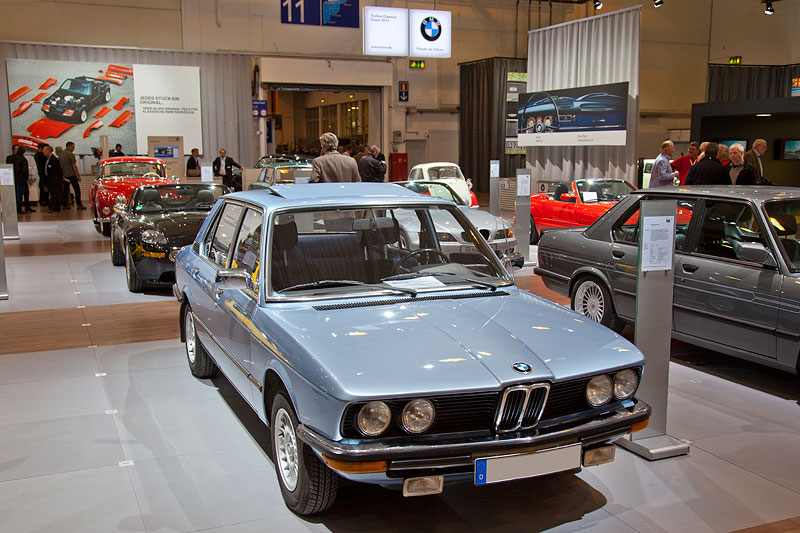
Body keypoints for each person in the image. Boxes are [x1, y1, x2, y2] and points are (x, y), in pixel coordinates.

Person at [8, 145, 34, 213]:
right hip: (21, 179)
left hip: (13, 179)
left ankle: (19, 208)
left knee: (18, 194)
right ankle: (21, 208)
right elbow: (24, 171)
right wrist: (26, 177)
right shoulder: (23, 159)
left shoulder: (10, 158)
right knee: (21, 194)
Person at [59, 141, 85, 209]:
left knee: (66, 190)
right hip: (72, 175)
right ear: (69, 146)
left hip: (64, 175)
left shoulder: (61, 154)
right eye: (73, 147)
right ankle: (79, 204)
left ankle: (65, 204)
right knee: (77, 189)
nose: (73, 148)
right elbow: (74, 165)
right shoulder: (71, 154)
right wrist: (78, 175)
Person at [42, 145, 64, 212]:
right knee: (52, 193)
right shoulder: (47, 159)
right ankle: (54, 206)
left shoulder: (54, 159)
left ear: (49, 151)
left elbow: (57, 170)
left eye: (45, 150)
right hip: (49, 179)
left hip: (54, 179)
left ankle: (54, 206)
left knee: (55, 193)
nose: (43, 152)